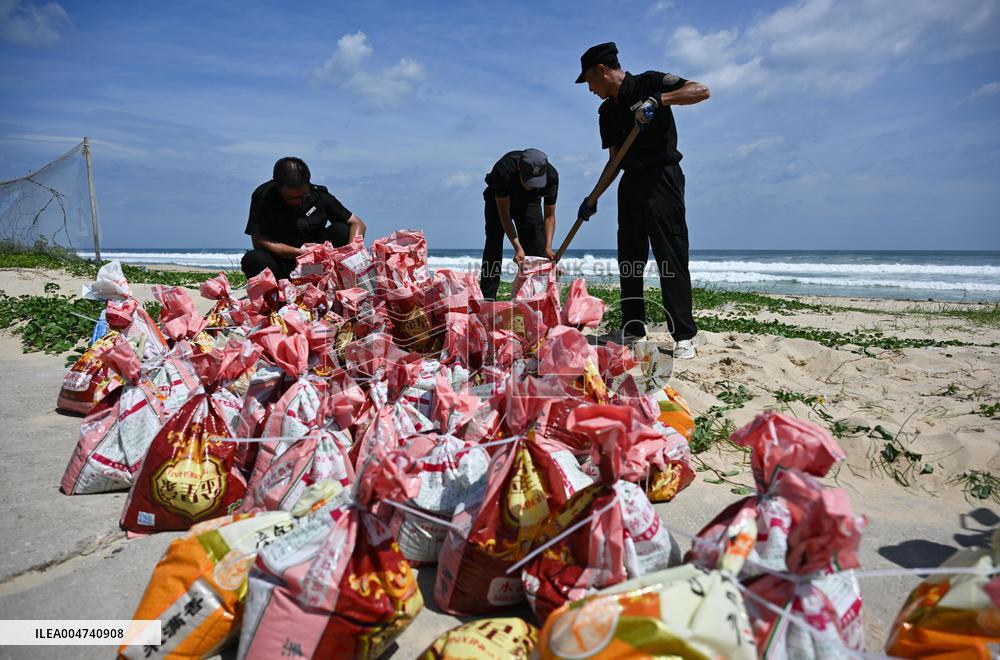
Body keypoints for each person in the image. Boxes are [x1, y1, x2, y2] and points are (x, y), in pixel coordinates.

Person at [241, 157, 366, 280]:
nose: (298, 202)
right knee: (253, 259)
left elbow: (357, 223)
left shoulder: (319, 195)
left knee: (342, 229)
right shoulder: (263, 197)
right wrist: (300, 253)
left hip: (317, 264)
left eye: (302, 196)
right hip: (283, 263)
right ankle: (275, 293)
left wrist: (351, 254)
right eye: (290, 198)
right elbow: (259, 241)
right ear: (277, 186)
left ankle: (338, 278)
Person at [479, 148, 558, 300]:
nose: (531, 186)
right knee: (493, 244)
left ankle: (534, 298)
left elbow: (550, 216)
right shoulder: (504, 170)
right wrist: (517, 248)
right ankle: (488, 298)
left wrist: (548, 247)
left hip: (530, 203)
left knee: (537, 247)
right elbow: (505, 216)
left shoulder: (551, 176)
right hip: (498, 201)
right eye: (528, 180)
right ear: (519, 169)